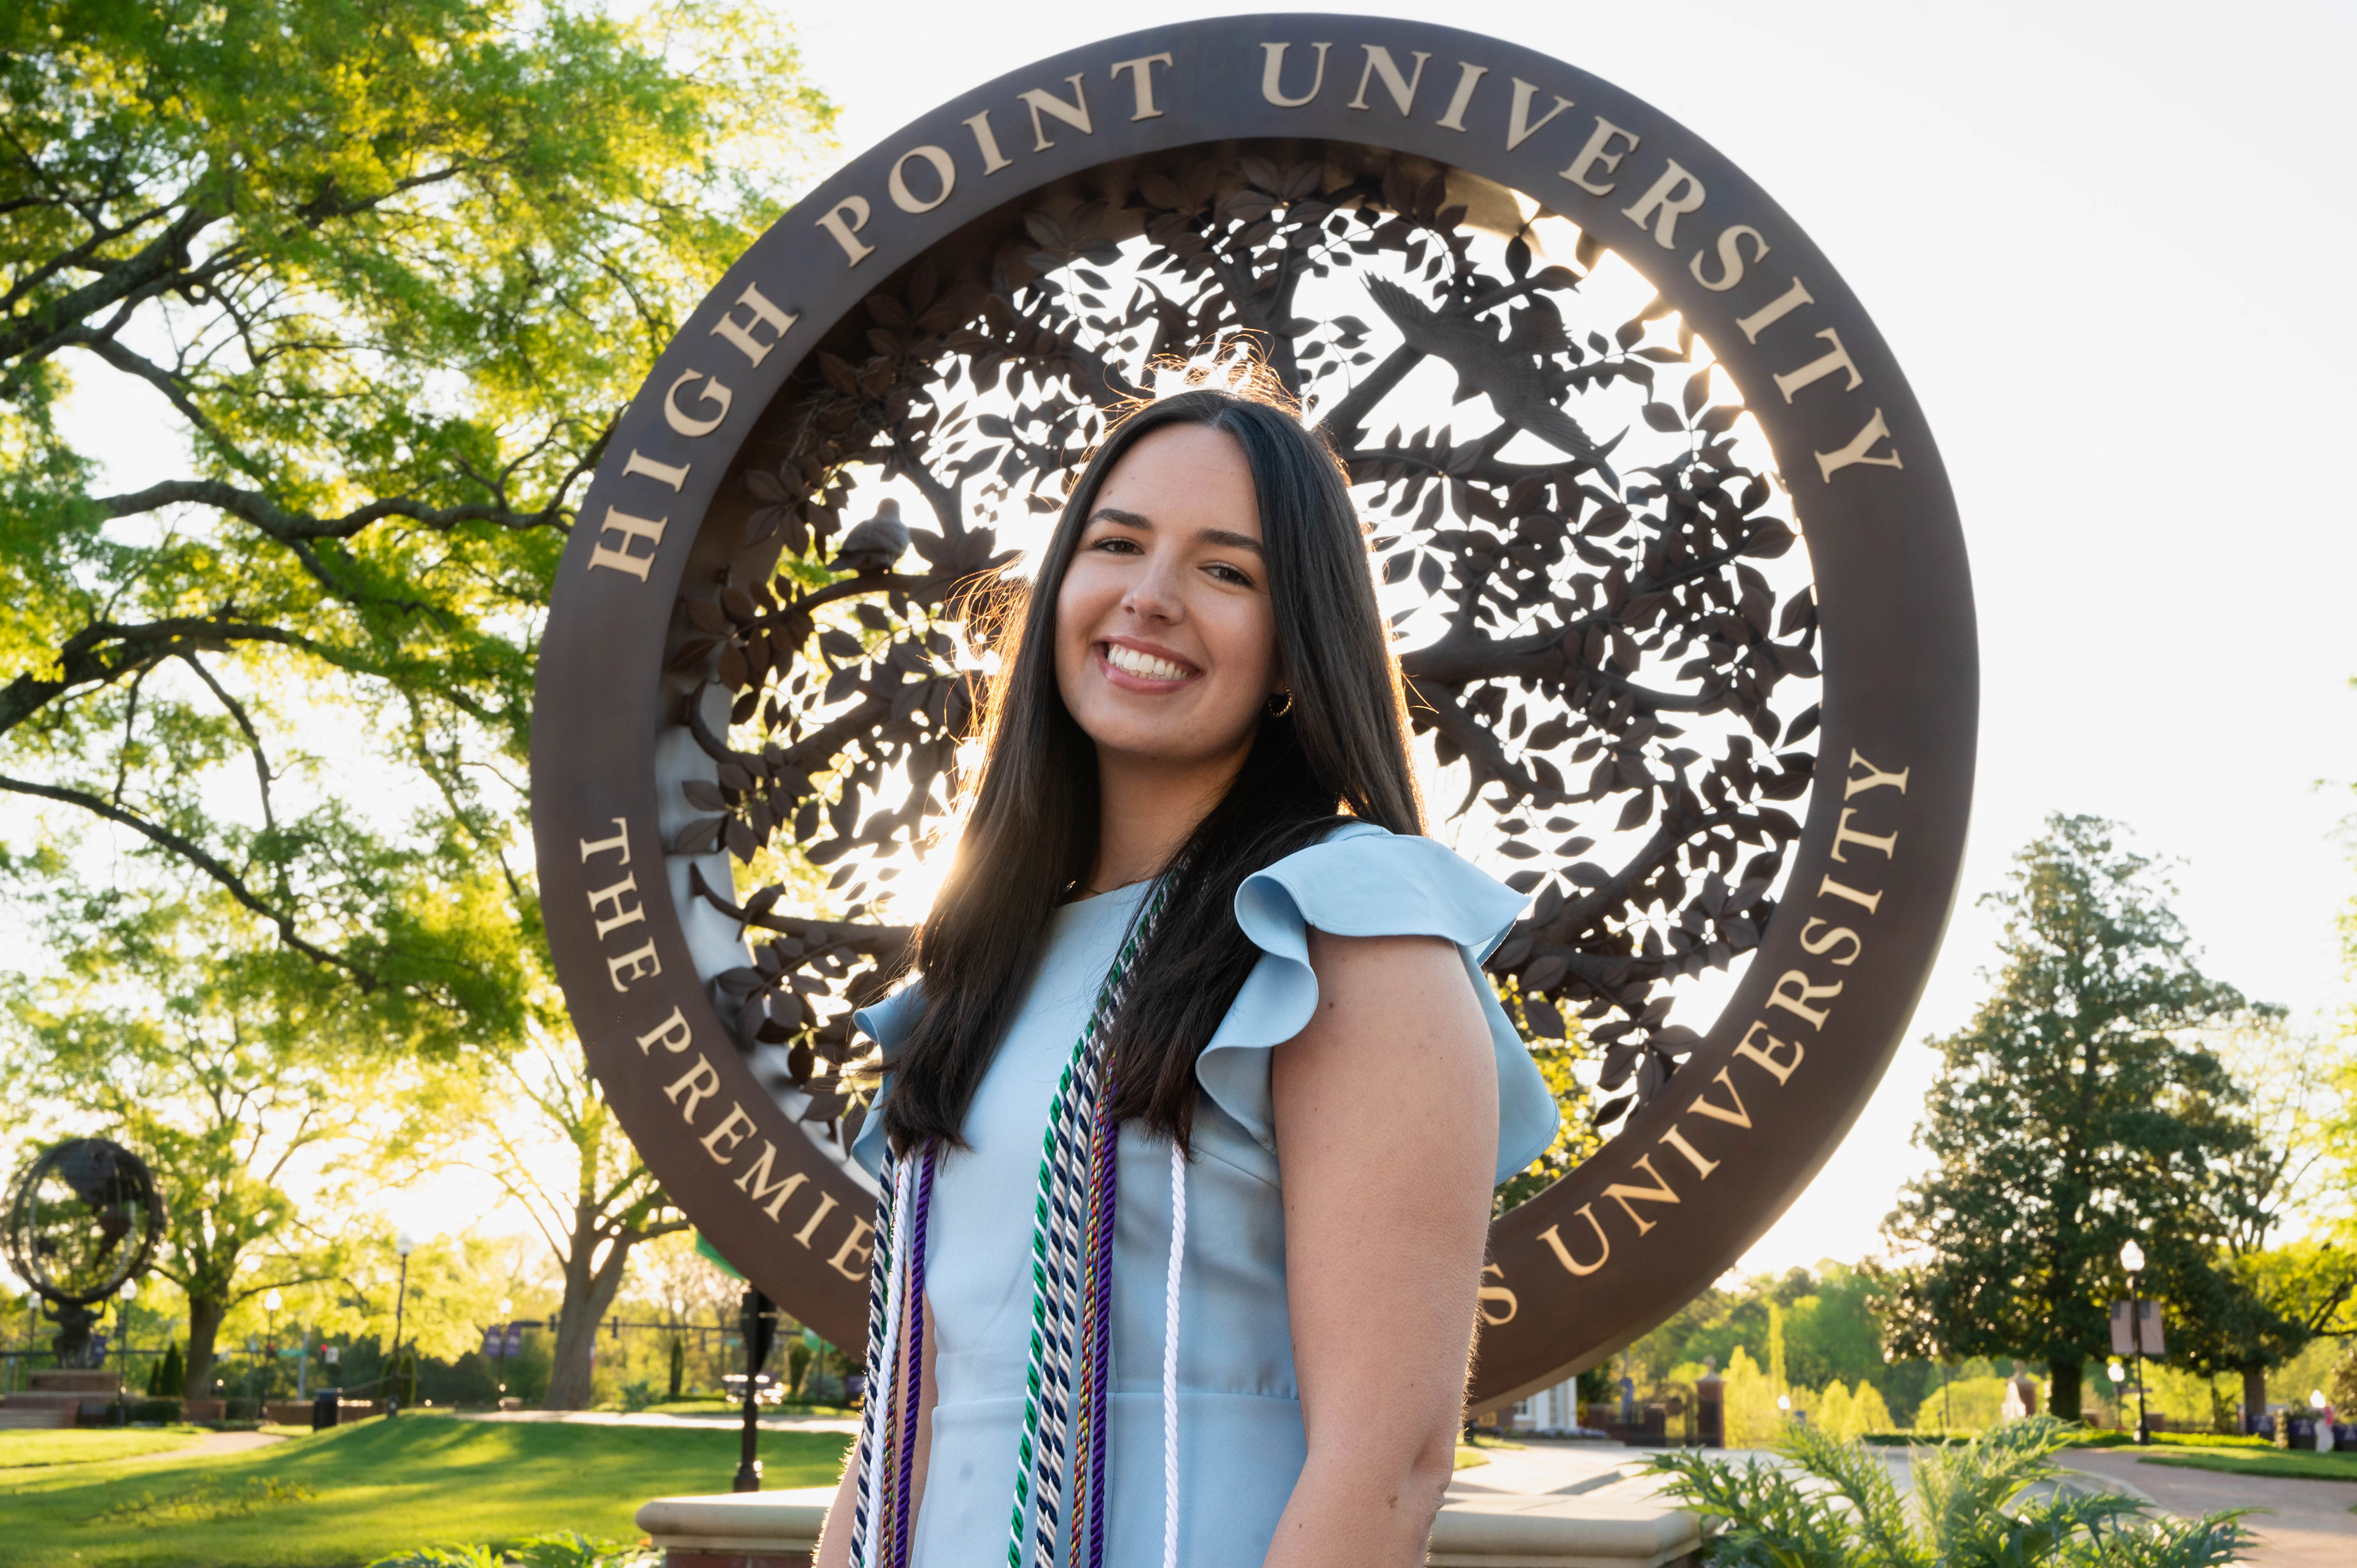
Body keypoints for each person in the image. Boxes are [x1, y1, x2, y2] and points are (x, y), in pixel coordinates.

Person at [811, 377, 1556, 1568]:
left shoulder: (1346, 927)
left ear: (1293, 650)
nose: (1149, 598)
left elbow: (1388, 1464)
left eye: (1227, 571)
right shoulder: (972, 981)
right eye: (1116, 545)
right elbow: (898, 1429)